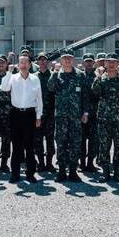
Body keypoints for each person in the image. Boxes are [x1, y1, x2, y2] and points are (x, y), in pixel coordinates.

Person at [47, 49, 89, 182]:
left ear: (73, 60)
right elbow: (50, 88)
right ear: (61, 61)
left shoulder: (80, 75)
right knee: (61, 143)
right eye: (64, 58)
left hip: (76, 117)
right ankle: (61, 171)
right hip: (61, 116)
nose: (67, 60)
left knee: (75, 143)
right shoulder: (57, 75)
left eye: (70, 58)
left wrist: (85, 112)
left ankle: (72, 171)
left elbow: (85, 96)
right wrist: (54, 72)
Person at [0, 53, 43, 183]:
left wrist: (38, 116)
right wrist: (9, 72)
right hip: (16, 114)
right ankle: (15, 174)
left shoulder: (35, 79)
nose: (23, 65)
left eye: (25, 62)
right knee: (17, 146)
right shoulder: (12, 77)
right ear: (18, 64)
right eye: (21, 62)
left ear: (30, 64)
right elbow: (4, 88)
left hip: (30, 115)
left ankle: (30, 174)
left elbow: (39, 99)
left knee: (29, 146)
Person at [91, 54, 119, 183]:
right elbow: (95, 92)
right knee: (104, 146)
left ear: (117, 63)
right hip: (104, 118)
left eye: (114, 62)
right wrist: (98, 76)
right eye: (109, 62)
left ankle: (118, 172)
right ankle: (105, 172)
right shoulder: (101, 79)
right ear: (105, 64)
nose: (112, 64)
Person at [35, 53, 56, 172]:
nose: (42, 62)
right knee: (37, 139)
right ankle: (41, 163)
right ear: (37, 62)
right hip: (37, 112)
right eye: (40, 60)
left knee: (49, 138)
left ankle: (49, 163)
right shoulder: (33, 76)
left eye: (44, 60)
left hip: (50, 112)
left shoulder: (53, 76)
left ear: (47, 62)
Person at [79, 53, 99, 172]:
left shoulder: (98, 76)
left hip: (94, 113)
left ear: (94, 63)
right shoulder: (79, 76)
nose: (89, 63)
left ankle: (90, 163)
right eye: (86, 61)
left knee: (93, 140)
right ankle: (81, 163)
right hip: (81, 112)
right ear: (83, 63)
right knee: (80, 140)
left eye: (91, 61)